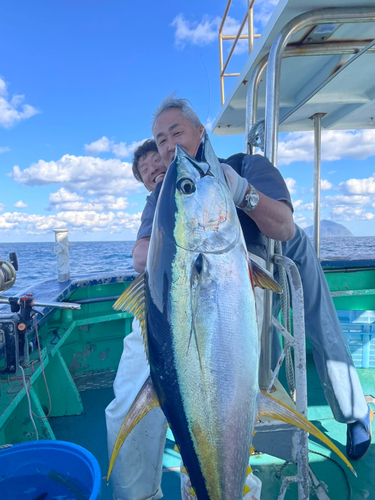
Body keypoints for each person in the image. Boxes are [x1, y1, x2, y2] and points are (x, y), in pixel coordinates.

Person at [106, 96, 372, 500]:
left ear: (201, 132)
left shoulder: (249, 167)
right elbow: (141, 256)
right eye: (159, 140)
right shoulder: (160, 197)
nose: (167, 145)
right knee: (126, 401)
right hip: (169, 306)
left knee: (225, 394)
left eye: (176, 132)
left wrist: (241, 192)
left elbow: (284, 227)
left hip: (243, 294)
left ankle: (235, 481)